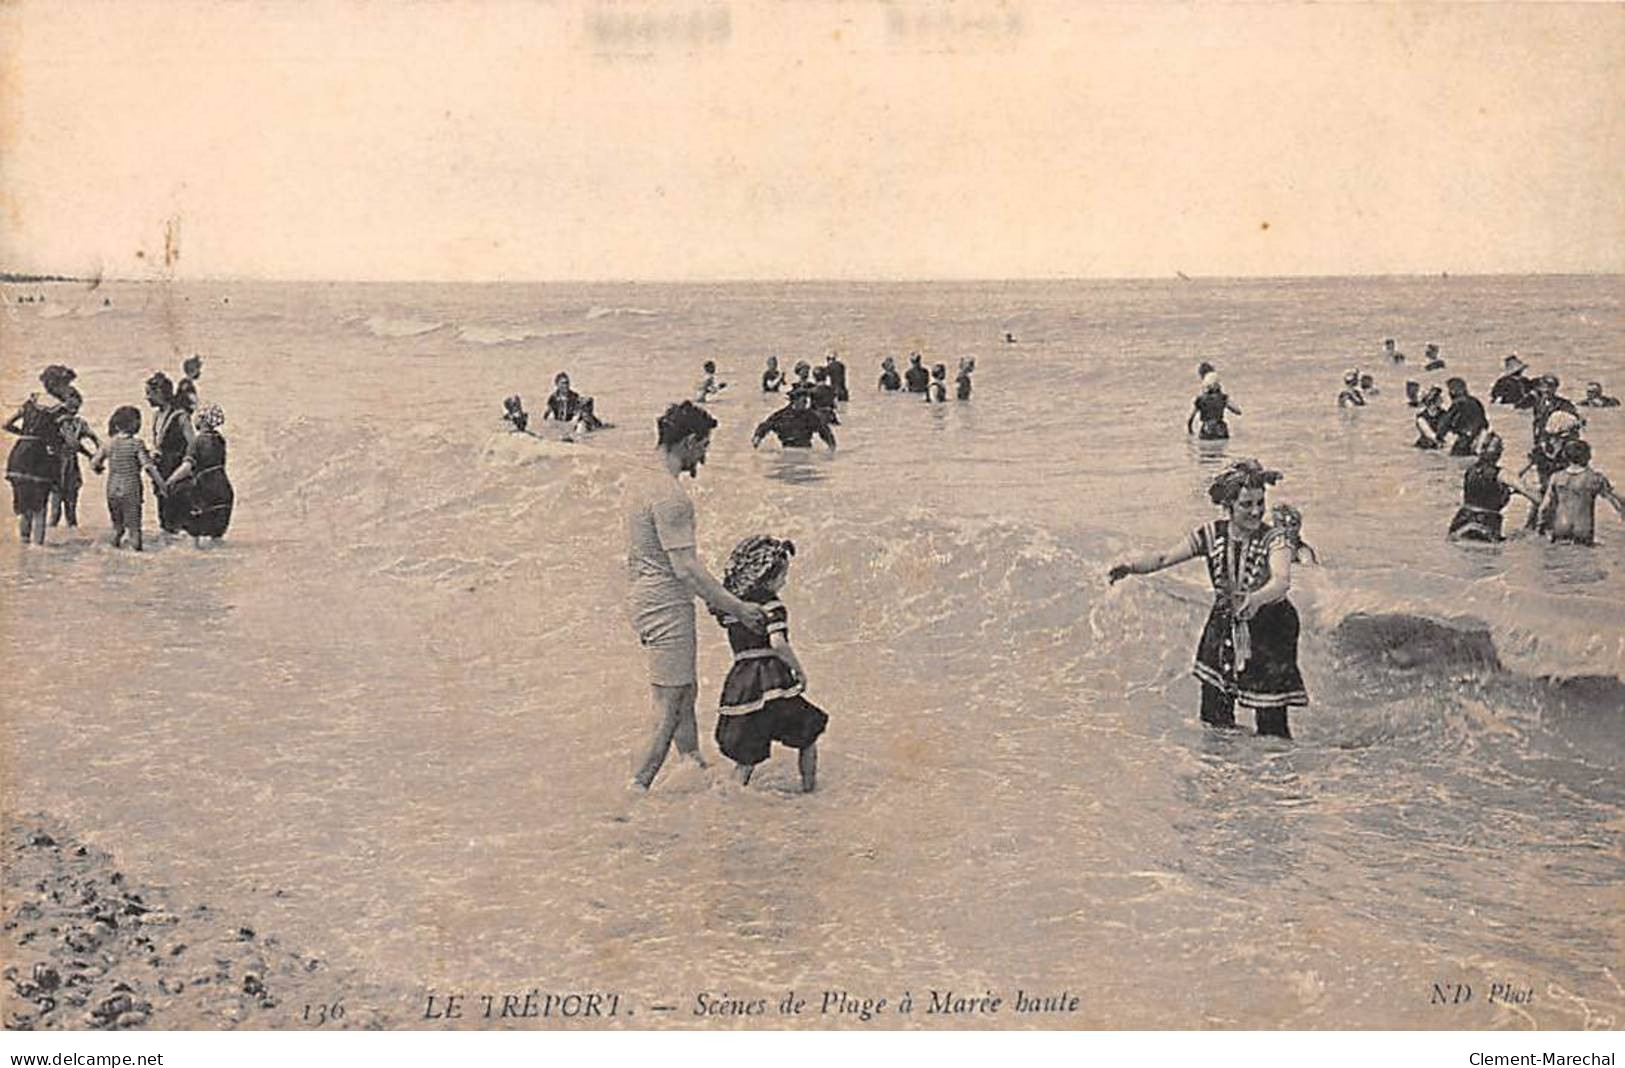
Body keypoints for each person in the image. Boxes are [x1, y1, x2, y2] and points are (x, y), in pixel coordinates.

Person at [1107, 459, 1307, 738]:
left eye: (1260, 503)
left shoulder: (1276, 540)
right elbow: (1164, 557)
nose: (1256, 511)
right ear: (1229, 507)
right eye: (1246, 504)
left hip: (1271, 627)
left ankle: (1274, 774)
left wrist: (1256, 599)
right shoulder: (1211, 534)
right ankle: (1219, 770)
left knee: (1271, 719)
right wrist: (1130, 566)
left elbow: (1281, 582)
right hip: (1225, 620)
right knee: (1214, 712)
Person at [625, 401, 766, 791]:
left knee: (684, 692)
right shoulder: (672, 497)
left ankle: (694, 765)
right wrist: (737, 607)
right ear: (688, 442)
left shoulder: (641, 481)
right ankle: (633, 794)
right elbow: (685, 567)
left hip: (645, 598)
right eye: (704, 446)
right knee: (667, 708)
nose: (704, 455)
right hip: (666, 605)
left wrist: (710, 597)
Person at [712, 535, 828, 792]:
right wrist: (799, 670)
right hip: (771, 680)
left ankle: (728, 796)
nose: (784, 581)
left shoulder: (733, 609)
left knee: (747, 753)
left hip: (741, 682)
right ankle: (810, 790)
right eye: (782, 575)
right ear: (768, 575)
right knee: (808, 731)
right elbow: (778, 644)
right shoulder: (772, 605)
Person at [4, 368, 73, 545]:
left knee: (24, 508)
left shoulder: (31, 401)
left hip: (19, 455)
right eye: (67, 385)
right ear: (57, 385)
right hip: (40, 457)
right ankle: (38, 548)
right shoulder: (59, 409)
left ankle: (24, 548)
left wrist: (26, 435)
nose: (69, 390)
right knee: (39, 508)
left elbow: (6, 425)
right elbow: (70, 439)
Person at [90, 406, 167, 551]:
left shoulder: (109, 443)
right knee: (134, 528)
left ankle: (113, 553)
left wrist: (99, 469)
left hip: (112, 490)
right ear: (135, 424)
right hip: (131, 490)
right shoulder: (136, 444)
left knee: (117, 528)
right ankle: (136, 559)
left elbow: (94, 463)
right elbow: (148, 467)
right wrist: (162, 486)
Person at [163, 404, 234, 548]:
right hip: (224, 490)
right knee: (216, 537)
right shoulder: (220, 440)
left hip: (204, 490)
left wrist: (169, 481)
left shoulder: (197, 442)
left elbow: (187, 467)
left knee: (194, 536)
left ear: (202, 420)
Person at [1448, 433, 1537, 542]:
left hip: (1460, 522)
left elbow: (1500, 480)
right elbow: (1530, 493)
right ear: (1498, 452)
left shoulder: (1471, 471)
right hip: (1486, 525)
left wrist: (1528, 465)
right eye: (1500, 448)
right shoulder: (1501, 474)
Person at [1537, 440, 1623, 546]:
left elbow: (1544, 508)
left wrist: (1540, 527)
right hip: (1582, 531)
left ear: (1565, 456)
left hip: (1560, 529)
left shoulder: (1556, 477)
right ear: (1588, 456)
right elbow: (1615, 500)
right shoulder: (1594, 478)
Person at [146, 372, 194, 534]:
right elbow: (158, 443)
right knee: (165, 517)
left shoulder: (181, 416)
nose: (147, 398)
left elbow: (192, 446)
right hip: (162, 471)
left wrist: (185, 468)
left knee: (179, 517)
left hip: (178, 472)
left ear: (159, 393)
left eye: (149, 393)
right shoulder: (156, 415)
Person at [50, 388, 99, 528]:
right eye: (70, 407)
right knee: (56, 509)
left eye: (76, 408)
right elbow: (73, 442)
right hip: (57, 465)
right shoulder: (55, 422)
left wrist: (97, 452)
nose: (73, 411)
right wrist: (90, 455)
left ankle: (71, 538)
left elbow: (93, 437)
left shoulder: (79, 423)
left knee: (71, 508)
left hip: (70, 464)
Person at [752, 390, 836, 451]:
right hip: (787, 450)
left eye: (806, 401)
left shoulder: (810, 416)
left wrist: (831, 446)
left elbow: (824, 430)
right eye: (803, 401)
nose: (806, 403)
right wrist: (757, 437)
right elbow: (765, 426)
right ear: (794, 401)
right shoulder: (781, 416)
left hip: (805, 450)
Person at [544, 372, 607, 436]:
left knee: (581, 426)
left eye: (567, 383)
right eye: (563, 383)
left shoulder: (574, 397)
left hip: (578, 422)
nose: (565, 385)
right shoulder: (553, 398)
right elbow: (549, 415)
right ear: (557, 384)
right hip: (563, 422)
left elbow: (576, 417)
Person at [1441, 377, 1488, 455]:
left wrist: (1440, 437)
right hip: (1478, 437)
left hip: (1464, 440)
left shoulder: (1457, 403)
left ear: (1453, 391)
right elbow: (1484, 423)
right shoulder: (1475, 401)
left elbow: (1445, 423)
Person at [1187, 372, 1240, 439]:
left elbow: (1190, 418)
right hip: (1220, 431)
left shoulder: (1200, 399)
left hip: (1206, 431)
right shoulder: (1223, 398)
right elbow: (1238, 411)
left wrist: (1190, 431)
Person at [1529, 374, 1578, 443]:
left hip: (1557, 439)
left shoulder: (1563, 404)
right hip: (1542, 438)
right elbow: (1536, 421)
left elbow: (1573, 419)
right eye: (1544, 387)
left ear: (1555, 388)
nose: (1546, 390)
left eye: (1550, 387)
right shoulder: (1538, 403)